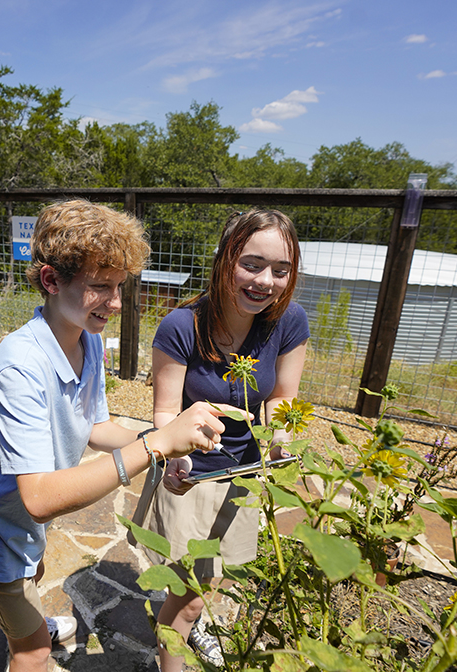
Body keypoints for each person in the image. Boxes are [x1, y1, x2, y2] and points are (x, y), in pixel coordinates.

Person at [0, 199, 237, 672]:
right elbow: (40, 497)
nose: (117, 303)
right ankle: (30, 634)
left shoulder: (86, 339)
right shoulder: (19, 368)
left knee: (35, 577)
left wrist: (165, 435)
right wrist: (154, 446)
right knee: (34, 651)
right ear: (50, 280)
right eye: (100, 287)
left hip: (23, 528)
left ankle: (29, 619)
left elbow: (93, 426)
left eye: (120, 286)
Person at [146, 209, 309, 671]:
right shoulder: (182, 325)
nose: (266, 281)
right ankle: (171, 657)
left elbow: (282, 397)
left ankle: (189, 626)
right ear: (225, 260)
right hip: (191, 474)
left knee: (213, 576)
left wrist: (282, 440)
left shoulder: (288, 321)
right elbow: (164, 412)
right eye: (252, 264)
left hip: (245, 473)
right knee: (186, 596)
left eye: (281, 270)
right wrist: (174, 459)